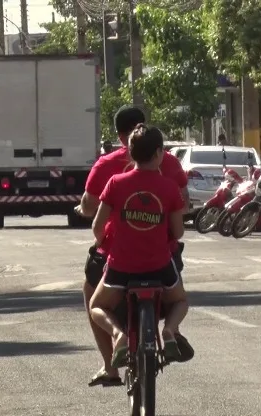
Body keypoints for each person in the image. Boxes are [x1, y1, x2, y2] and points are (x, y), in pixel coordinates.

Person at [76, 106, 191, 387]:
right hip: (162, 260)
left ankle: (112, 357)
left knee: (92, 296)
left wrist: (103, 240)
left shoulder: (110, 173)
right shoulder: (170, 176)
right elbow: (181, 216)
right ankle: (171, 331)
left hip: (119, 262)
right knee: (180, 298)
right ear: (159, 152)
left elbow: (92, 214)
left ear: (121, 138)